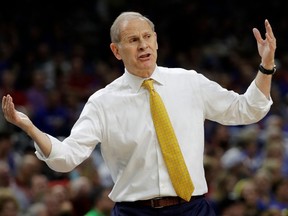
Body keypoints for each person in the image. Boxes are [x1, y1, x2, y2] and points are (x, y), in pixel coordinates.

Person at [1, 11, 276, 215]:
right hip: (135, 211)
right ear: (116, 51)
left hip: (194, 208)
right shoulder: (102, 102)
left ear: (156, 41)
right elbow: (66, 158)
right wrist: (30, 128)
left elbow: (246, 110)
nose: (143, 45)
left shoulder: (190, 82)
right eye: (133, 40)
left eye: (147, 37)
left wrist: (265, 67)